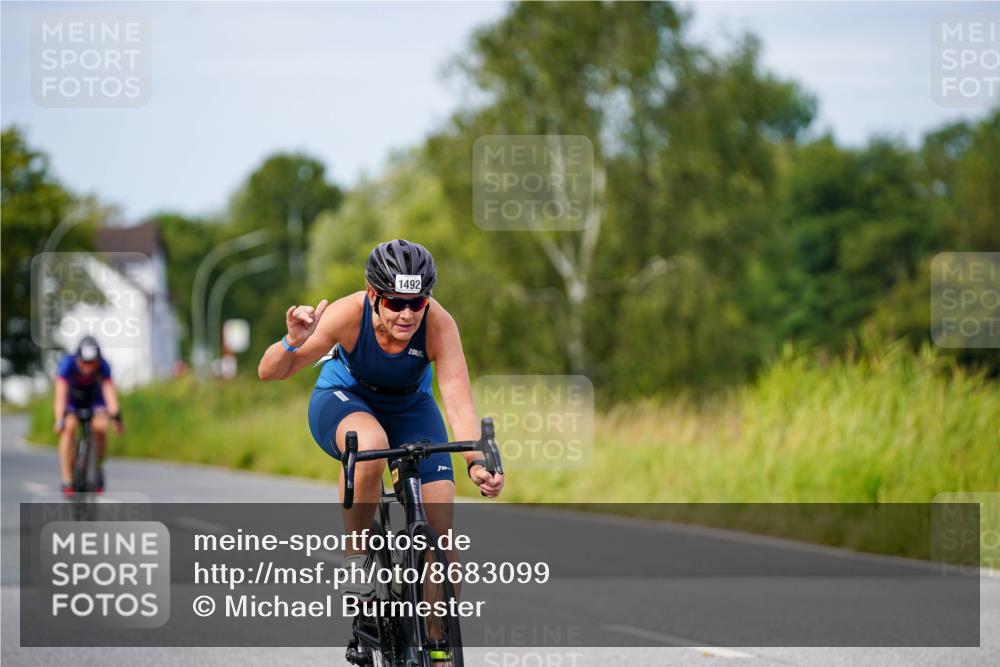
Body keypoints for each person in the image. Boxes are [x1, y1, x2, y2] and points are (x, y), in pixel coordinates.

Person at [257, 239, 505, 591]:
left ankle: (435, 644)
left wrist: (476, 463)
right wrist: (291, 341)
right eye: (395, 303)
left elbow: (458, 400)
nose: (407, 315)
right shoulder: (346, 315)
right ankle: (357, 554)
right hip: (346, 399)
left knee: (442, 539)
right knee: (371, 442)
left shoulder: (439, 324)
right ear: (373, 295)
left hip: (409, 407)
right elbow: (270, 372)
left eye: (417, 303)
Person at [54, 335, 123, 496]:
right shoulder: (67, 363)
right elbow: (60, 394)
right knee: (69, 428)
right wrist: (59, 419)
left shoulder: (103, 366)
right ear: (77, 358)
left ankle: (97, 468)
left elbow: (109, 392)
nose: (88, 367)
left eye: (92, 362)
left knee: (101, 427)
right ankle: (67, 479)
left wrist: (115, 417)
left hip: (94, 399)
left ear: (98, 360)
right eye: (84, 362)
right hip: (72, 399)